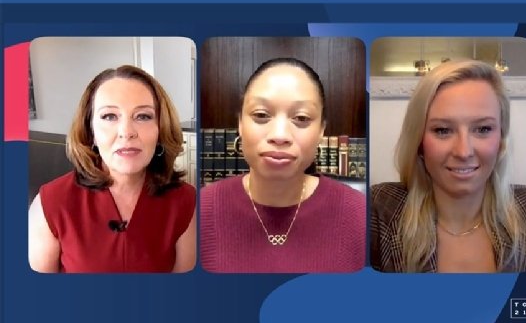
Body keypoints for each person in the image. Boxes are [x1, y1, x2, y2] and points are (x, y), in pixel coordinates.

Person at [200, 57, 366, 273]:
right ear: (240, 124)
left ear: (321, 130)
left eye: (301, 118)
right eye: (261, 115)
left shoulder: (360, 214)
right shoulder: (200, 209)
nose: (279, 135)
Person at [28, 65, 196, 273]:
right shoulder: (49, 203)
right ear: (91, 131)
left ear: (160, 129)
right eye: (109, 116)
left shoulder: (186, 201)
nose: (127, 132)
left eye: (143, 116)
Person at [371, 60, 526, 273]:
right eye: (443, 130)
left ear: (501, 140)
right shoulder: (379, 209)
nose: (463, 151)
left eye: (483, 129)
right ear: (419, 142)